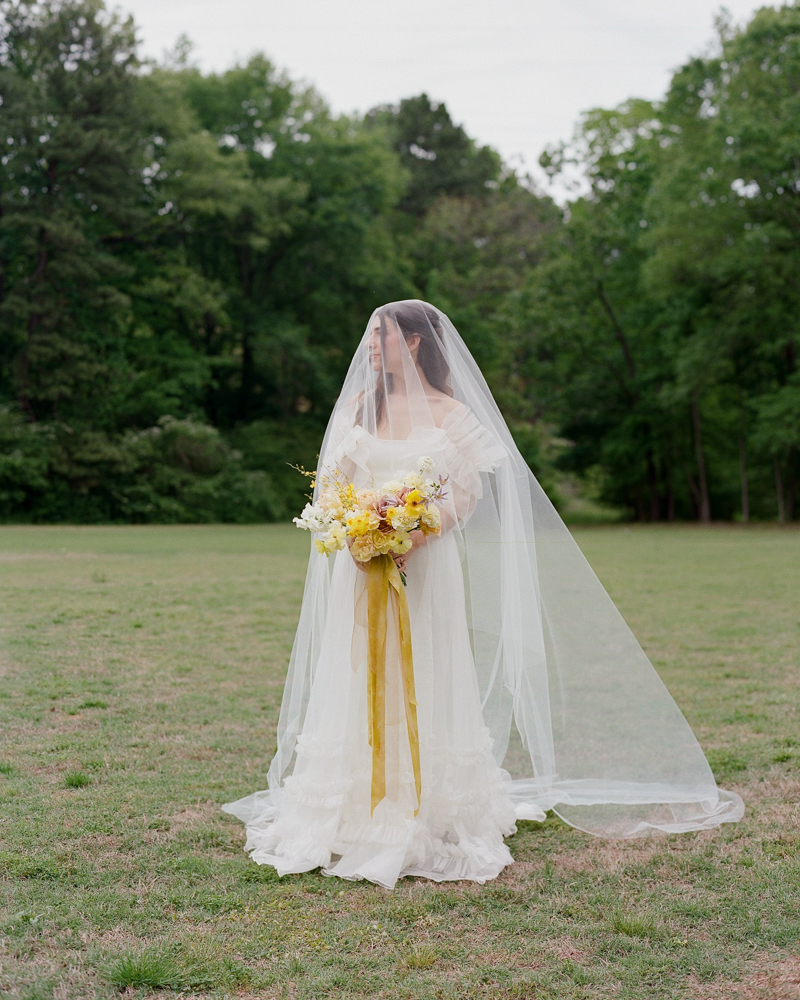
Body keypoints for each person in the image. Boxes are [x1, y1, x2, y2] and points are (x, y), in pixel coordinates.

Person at [223, 300, 743, 890]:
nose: (368, 347)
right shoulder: (358, 412)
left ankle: (428, 804)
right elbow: (335, 488)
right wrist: (358, 532)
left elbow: (465, 494)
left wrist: (414, 532)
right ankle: (350, 803)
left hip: (426, 567)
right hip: (361, 567)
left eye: (379, 336)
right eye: (368, 337)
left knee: (425, 669)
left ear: (413, 342)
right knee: (359, 670)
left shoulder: (452, 415)